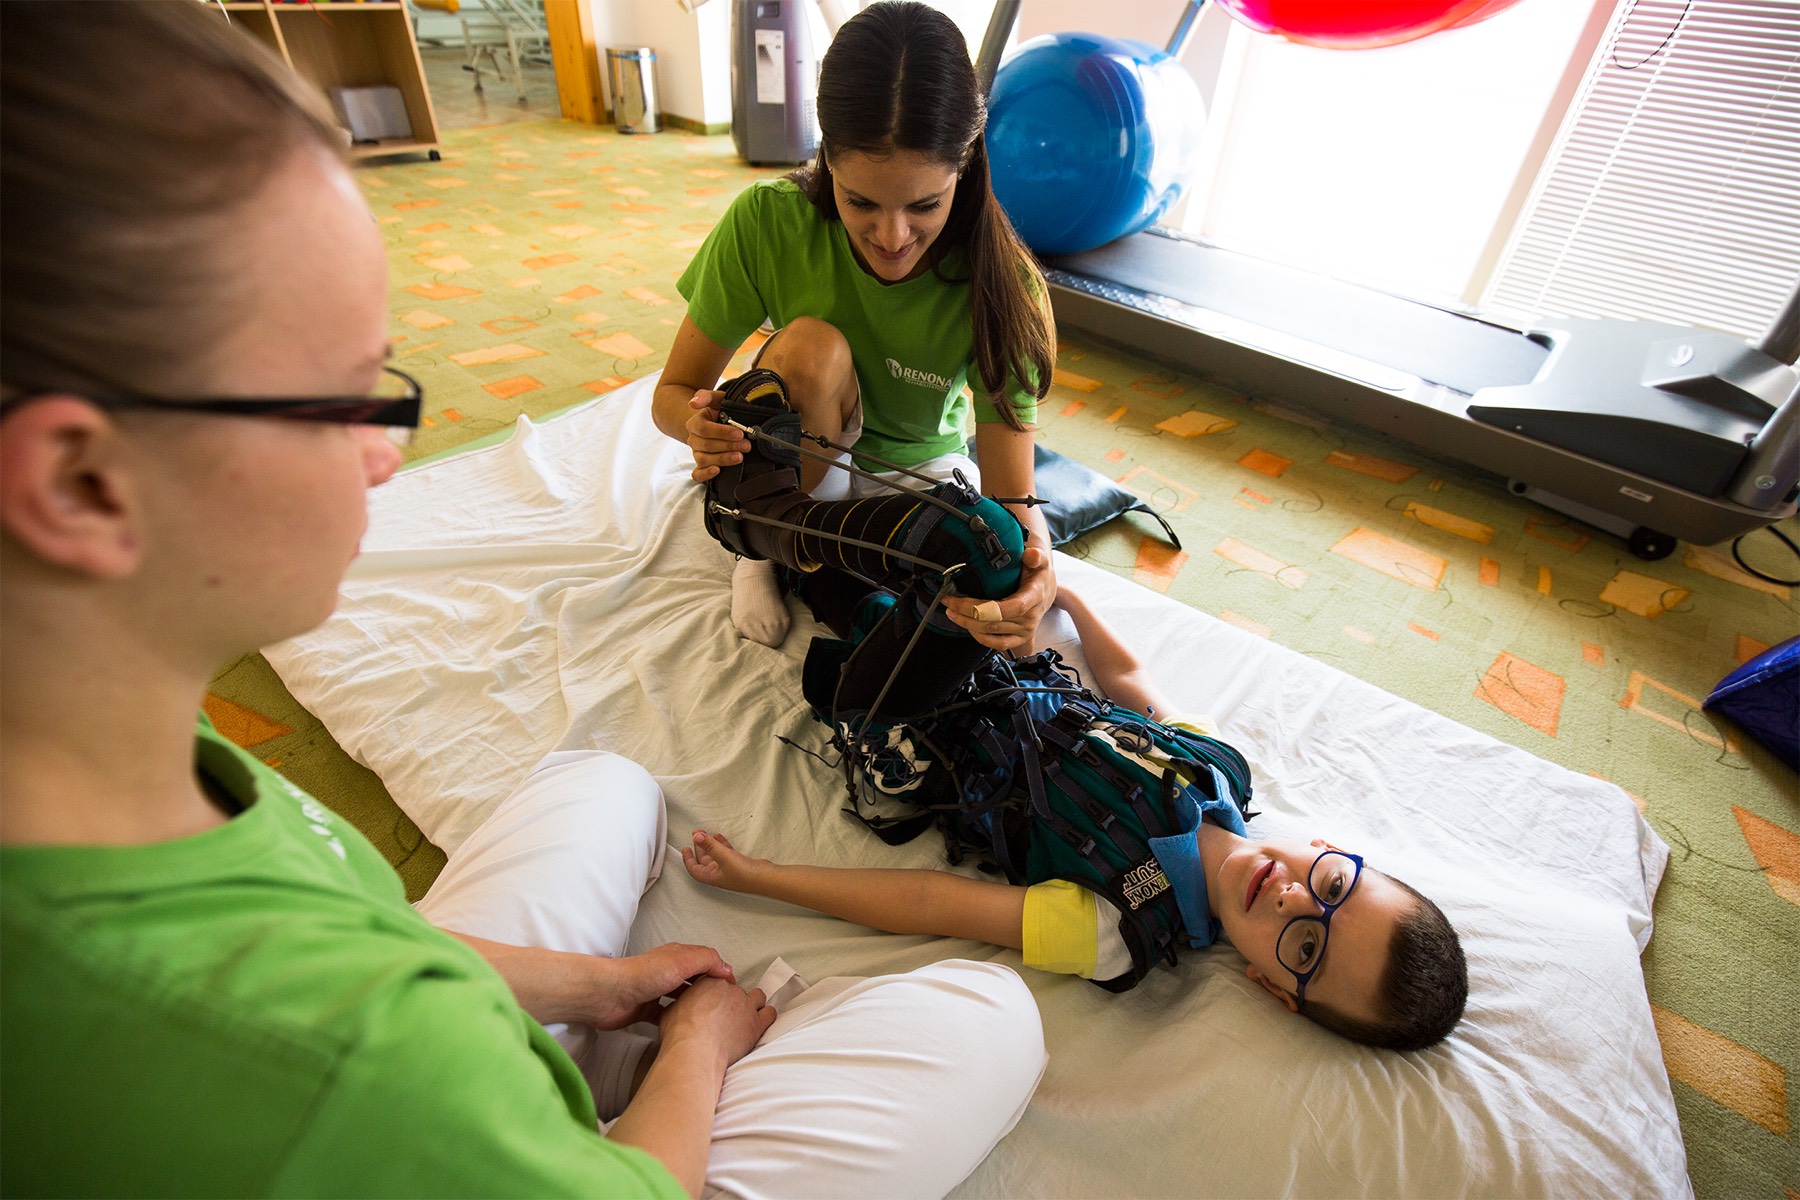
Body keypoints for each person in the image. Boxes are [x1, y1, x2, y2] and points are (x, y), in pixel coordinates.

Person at [0, 5, 1046, 1197]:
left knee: (608, 782)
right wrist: (697, 1050)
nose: (389, 457)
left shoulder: (134, 773)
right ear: (79, 482)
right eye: (341, 397)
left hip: (422, 1036)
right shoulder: (348, 1071)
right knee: (991, 1018)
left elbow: (368, 944)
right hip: (522, 1142)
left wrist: (596, 987)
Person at [682, 584, 1470, 1053]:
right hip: (1002, 664)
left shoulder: (1117, 927)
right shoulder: (1219, 771)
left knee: (878, 605)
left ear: (1271, 986)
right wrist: (1070, 599)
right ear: (1334, 850)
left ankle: (775, 545)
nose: (1296, 900)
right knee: (972, 554)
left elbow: (935, 902)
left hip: (918, 725)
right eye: (1331, 886)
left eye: (1306, 946)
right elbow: (1133, 685)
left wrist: (764, 878)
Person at [651, 0, 1058, 652]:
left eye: (925, 205)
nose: (892, 238)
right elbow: (672, 394)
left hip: (921, 473)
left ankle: (802, 555)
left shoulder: (1004, 284)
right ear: (827, 160)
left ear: (963, 167)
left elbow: (1014, 499)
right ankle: (761, 552)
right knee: (811, 346)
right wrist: (700, 428)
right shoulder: (768, 220)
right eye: (860, 201)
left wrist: (1036, 574)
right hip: (804, 465)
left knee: (993, 573)